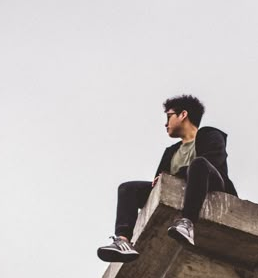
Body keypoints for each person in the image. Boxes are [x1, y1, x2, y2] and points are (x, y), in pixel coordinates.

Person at [97, 94, 237, 263]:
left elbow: (213, 161)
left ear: (183, 115)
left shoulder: (210, 135)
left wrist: (174, 176)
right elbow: (161, 181)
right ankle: (123, 241)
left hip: (211, 183)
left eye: (169, 116)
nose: (166, 123)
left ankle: (187, 223)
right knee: (127, 188)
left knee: (199, 164)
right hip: (181, 188)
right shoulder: (171, 152)